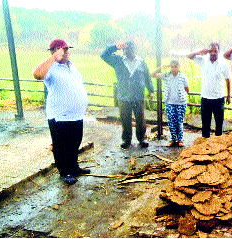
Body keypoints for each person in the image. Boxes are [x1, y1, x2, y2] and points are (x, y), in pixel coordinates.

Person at [33, 39, 90, 185]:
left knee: (75, 142)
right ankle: (65, 172)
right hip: (59, 115)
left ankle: (74, 167)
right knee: (61, 146)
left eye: (67, 49)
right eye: (62, 49)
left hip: (76, 114)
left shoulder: (72, 66)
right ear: (53, 52)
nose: (66, 52)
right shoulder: (51, 67)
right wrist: (53, 58)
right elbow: (37, 74)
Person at [101, 41, 154, 149]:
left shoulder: (141, 61)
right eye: (126, 48)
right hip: (124, 96)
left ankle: (141, 139)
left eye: (131, 48)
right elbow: (104, 55)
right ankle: (126, 140)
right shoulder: (117, 60)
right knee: (125, 119)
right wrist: (115, 47)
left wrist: (151, 90)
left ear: (135, 49)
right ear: (123, 50)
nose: (129, 50)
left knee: (140, 119)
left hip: (138, 96)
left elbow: (147, 76)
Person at [187, 43, 232, 138]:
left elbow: (228, 79)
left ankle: (218, 143)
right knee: (205, 123)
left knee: (219, 123)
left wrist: (229, 95)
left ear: (218, 52)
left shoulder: (224, 63)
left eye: (215, 51)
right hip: (205, 98)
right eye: (211, 51)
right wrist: (199, 52)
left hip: (219, 98)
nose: (213, 53)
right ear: (208, 52)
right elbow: (189, 56)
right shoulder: (203, 60)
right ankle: (205, 144)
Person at [151, 60, 189, 147]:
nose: (173, 69)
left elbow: (187, 89)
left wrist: (183, 97)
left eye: (175, 66)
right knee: (171, 122)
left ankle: (180, 139)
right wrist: (161, 67)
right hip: (169, 103)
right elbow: (152, 75)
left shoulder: (183, 77)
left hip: (181, 103)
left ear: (179, 67)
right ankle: (173, 139)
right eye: (172, 67)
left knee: (179, 122)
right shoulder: (166, 75)